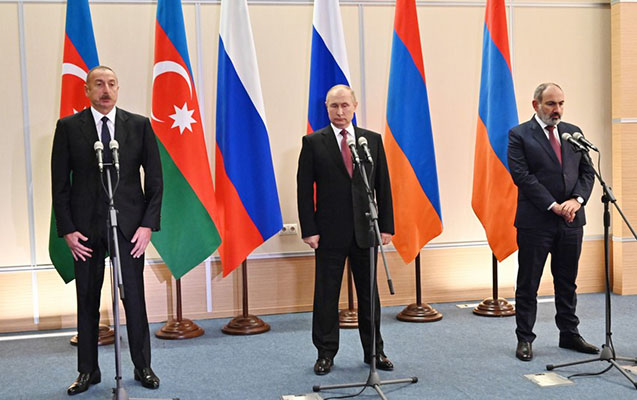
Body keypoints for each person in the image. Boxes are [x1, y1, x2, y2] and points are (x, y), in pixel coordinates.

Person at [51, 66, 163, 394]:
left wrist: (147, 225)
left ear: (118, 89)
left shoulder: (139, 126)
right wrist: (67, 229)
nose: (106, 90)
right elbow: (59, 185)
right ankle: (88, 371)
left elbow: (155, 181)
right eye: (98, 84)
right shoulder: (68, 128)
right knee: (87, 298)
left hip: (129, 228)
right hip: (85, 230)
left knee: (134, 298)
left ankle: (143, 366)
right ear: (87, 91)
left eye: (112, 84)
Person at [297, 84, 394, 375]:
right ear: (326, 108)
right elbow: (304, 191)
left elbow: (383, 186)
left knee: (369, 295)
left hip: (366, 229)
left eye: (344, 105)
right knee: (326, 295)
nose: (340, 111)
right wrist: (309, 229)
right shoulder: (313, 142)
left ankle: (374, 351)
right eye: (334, 106)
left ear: (354, 106)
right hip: (328, 232)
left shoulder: (371, 141)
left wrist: (386, 226)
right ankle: (325, 353)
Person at [507, 82, 598, 362]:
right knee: (529, 282)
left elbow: (587, 173)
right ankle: (525, 338)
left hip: (571, 221)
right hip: (536, 221)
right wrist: (554, 205)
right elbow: (522, 177)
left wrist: (577, 200)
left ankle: (569, 333)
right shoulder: (520, 134)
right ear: (536, 105)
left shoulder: (573, 133)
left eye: (560, 103)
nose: (557, 109)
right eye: (550, 104)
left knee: (567, 281)